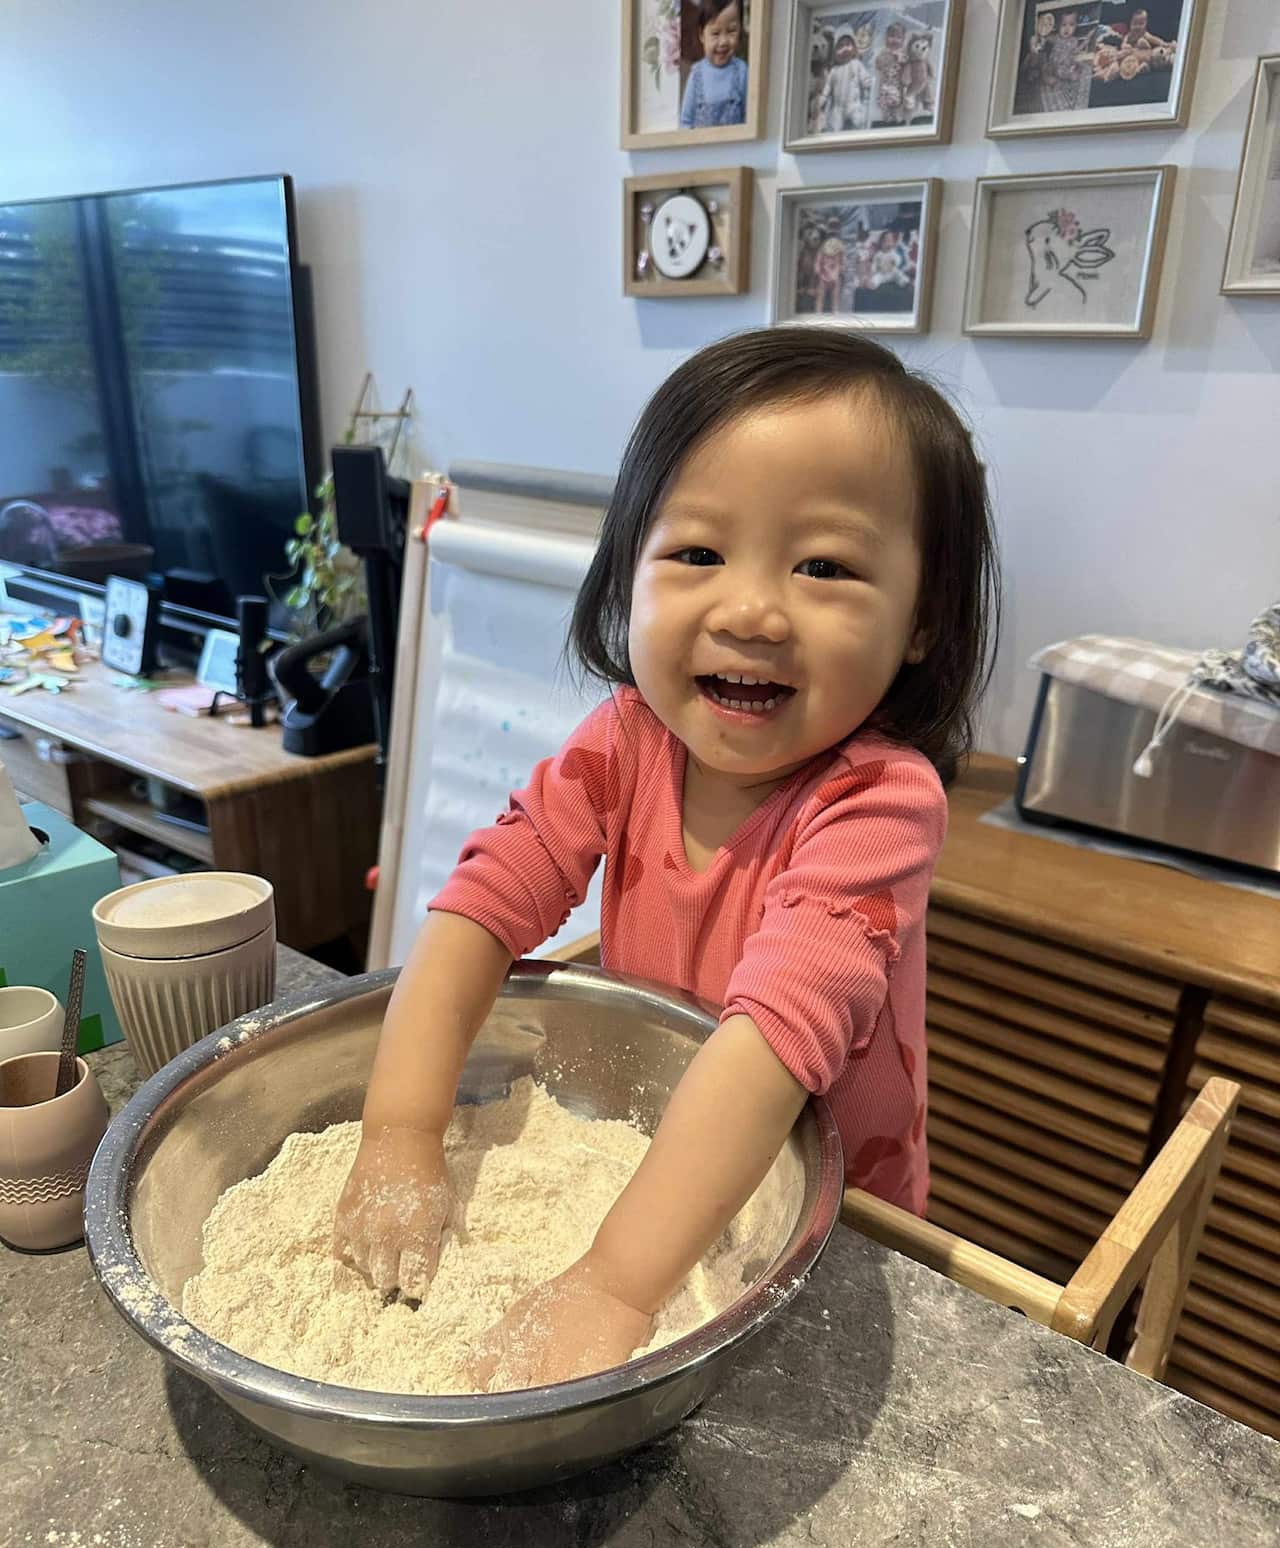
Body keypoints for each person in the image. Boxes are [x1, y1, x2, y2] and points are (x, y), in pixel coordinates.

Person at [334, 328, 999, 1390]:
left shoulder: (877, 803)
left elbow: (773, 1043)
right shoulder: (625, 743)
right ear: (626, 569)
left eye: (822, 566)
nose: (747, 611)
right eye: (695, 552)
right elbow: (478, 910)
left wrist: (607, 1284)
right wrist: (401, 1129)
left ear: (920, 618)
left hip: (830, 1224)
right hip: (640, 1158)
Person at [680, 0, 749, 129]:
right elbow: (685, 121)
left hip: (736, 148)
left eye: (731, 31)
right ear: (702, 35)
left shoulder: (742, 71)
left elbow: (750, 119)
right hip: (701, 148)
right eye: (715, 33)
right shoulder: (696, 74)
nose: (723, 42)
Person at [820, 28, 872, 133]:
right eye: (840, 46)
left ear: (854, 48)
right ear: (835, 52)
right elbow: (828, 86)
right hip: (838, 107)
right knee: (835, 124)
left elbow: (865, 77)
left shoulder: (856, 64)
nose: (845, 49)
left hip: (854, 103)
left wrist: (867, 83)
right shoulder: (834, 70)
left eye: (848, 44)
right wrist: (824, 96)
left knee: (858, 120)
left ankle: (858, 131)